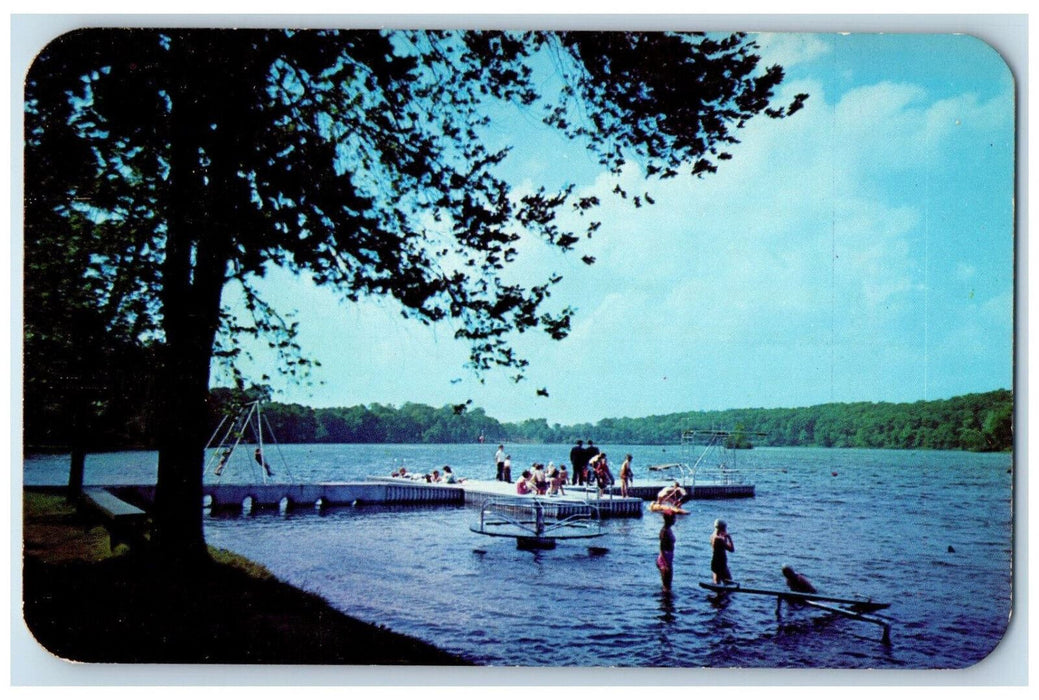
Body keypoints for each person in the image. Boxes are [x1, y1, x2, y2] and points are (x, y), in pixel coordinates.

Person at [710, 519, 735, 585]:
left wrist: (724, 537)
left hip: (715, 562)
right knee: (729, 582)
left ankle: (718, 594)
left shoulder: (712, 536)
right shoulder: (719, 539)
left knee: (717, 583)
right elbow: (732, 549)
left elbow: (722, 546)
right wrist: (729, 538)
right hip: (721, 564)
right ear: (722, 527)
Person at [657, 512, 677, 592]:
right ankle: (665, 602)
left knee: (668, 585)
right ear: (670, 519)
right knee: (666, 586)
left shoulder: (669, 529)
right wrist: (666, 563)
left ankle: (667, 602)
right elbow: (661, 547)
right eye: (674, 518)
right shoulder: (664, 531)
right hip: (664, 558)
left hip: (668, 557)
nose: (675, 520)